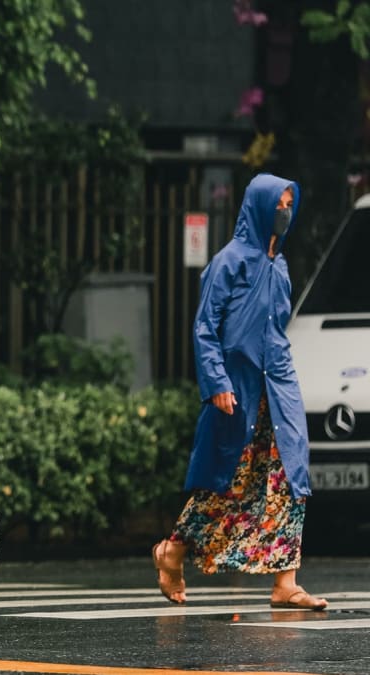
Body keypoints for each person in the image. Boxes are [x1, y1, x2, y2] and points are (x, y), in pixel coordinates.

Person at [152, 174, 327, 610]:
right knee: (228, 480)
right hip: (239, 387)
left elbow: (276, 331)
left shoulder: (280, 266)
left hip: (279, 386)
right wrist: (216, 383)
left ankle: (286, 582)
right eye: (279, 203)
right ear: (260, 208)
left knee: (290, 478)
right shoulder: (228, 262)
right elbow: (205, 327)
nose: (285, 211)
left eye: (290, 203)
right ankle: (172, 552)